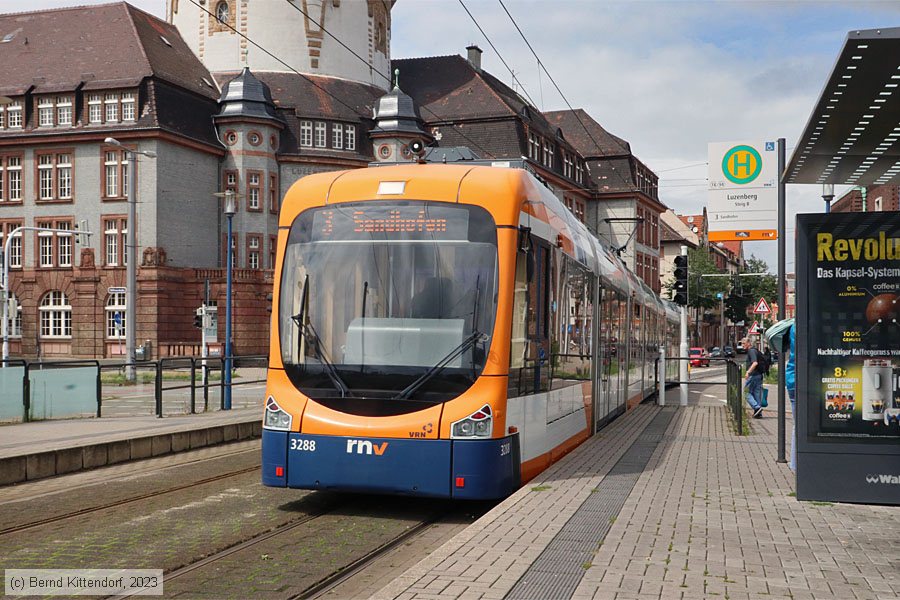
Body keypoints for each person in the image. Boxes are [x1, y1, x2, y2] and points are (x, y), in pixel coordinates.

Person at [784, 324, 797, 471]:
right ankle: (795, 465)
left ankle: (794, 464)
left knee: (796, 425)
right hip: (799, 380)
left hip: (792, 379)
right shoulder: (804, 322)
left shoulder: (794, 325)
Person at [742, 337, 764, 418]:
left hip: (753, 375)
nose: (742, 345)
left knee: (746, 393)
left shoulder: (751, 351)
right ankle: (758, 413)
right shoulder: (755, 350)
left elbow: (755, 363)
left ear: (748, 343)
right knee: (756, 394)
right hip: (759, 375)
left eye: (744, 343)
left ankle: (756, 407)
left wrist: (748, 372)